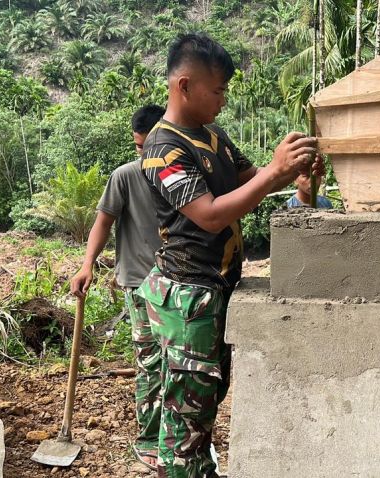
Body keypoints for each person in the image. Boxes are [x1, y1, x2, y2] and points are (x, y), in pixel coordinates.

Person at [135, 33, 321, 478]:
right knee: (187, 419)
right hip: (188, 296)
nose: (222, 100)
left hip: (211, 291)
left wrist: (290, 173)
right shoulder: (163, 149)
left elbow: (250, 180)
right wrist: (275, 172)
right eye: (216, 91)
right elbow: (211, 215)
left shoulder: (211, 135)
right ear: (184, 86)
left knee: (202, 404)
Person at [69, 103, 165, 469]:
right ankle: (148, 438)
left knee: (178, 363)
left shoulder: (183, 174)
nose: (143, 155)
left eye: (149, 146)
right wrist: (86, 264)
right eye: (138, 147)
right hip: (141, 284)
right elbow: (103, 222)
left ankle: (177, 435)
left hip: (179, 284)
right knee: (150, 360)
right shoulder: (125, 176)